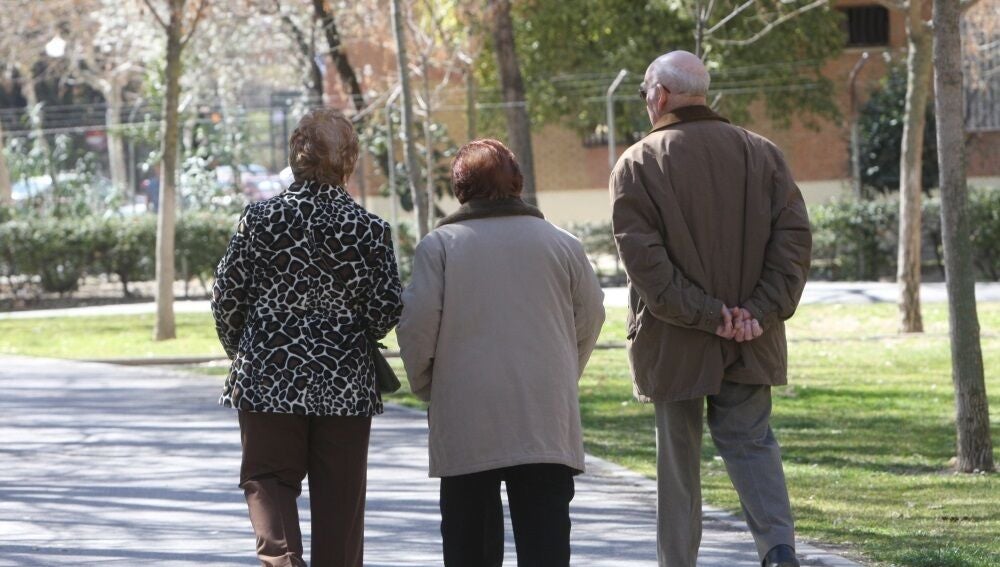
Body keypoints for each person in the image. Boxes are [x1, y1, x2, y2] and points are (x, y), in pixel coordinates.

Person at [610, 51, 812, 567]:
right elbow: (793, 243)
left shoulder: (637, 163)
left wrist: (709, 315)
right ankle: (779, 551)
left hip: (675, 339)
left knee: (678, 462)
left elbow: (646, 265)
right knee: (752, 445)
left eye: (645, 94)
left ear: (659, 96)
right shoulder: (762, 153)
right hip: (751, 336)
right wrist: (754, 312)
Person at [398, 139, 606, 567]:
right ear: (517, 183)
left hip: (466, 411)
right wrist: (565, 371)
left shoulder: (440, 246)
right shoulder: (562, 243)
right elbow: (591, 317)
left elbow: (416, 328)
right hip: (544, 411)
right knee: (546, 544)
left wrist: (429, 386)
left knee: (469, 544)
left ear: (460, 187)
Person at [211, 107, 403, 567]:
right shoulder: (370, 230)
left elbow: (226, 295)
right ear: (348, 160)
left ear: (296, 155)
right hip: (345, 382)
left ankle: (282, 560)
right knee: (341, 499)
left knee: (268, 479)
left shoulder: (260, 219)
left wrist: (244, 347)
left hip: (268, 374)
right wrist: (349, 331)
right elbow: (385, 308)